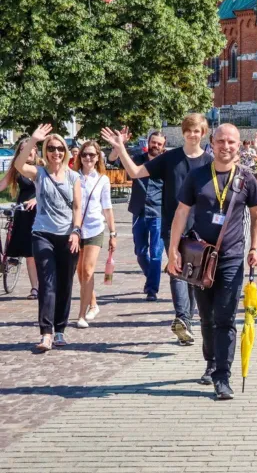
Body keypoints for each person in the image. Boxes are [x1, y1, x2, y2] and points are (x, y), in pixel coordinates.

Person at [167, 124, 257, 400]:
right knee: (206, 317)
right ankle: (210, 362)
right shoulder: (197, 177)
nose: (226, 146)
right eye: (221, 141)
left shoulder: (245, 178)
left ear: (238, 145)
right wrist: (174, 250)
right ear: (212, 143)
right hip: (200, 258)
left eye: (231, 142)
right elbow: (181, 213)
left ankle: (223, 376)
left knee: (225, 318)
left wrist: (255, 247)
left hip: (232, 257)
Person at [102, 114, 212, 346]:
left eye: (197, 131)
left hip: (201, 226)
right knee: (177, 269)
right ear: (183, 132)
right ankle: (182, 320)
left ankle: (188, 322)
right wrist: (121, 148)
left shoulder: (209, 162)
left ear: (204, 134)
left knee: (194, 277)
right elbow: (135, 172)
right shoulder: (169, 159)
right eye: (189, 130)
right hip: (172, 224)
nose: (193, 134)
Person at [15, 125, 82, 352]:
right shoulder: (39, 173)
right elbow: (18, 165)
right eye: (51, 148)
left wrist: (76, 232)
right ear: (46, 151)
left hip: (67, 237)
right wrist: (33, 140)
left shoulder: (74, 177)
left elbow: (77, 207)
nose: (56, 153)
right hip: (42, 234)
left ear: (65, 151)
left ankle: (60, 329)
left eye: (60, 148)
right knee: (47, 284)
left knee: (64, 284)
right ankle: (46, 333)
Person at [108, 131, 166, 301]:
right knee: (140, 252)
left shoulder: (166, 163)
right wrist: (119, 145)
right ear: (148, 143)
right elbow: (112, 159)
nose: (156, 146)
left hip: (158, 212)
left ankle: (151, 289)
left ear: (163, 147)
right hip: (139, 211)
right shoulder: (137, 159)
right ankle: (151, 276)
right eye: (153, 142)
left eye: (159, 144)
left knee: (156, 252)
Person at [73, 141, 117, 328]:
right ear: (79, 157)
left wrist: (113, 232)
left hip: (94, 228)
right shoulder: (73, 177)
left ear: (98, 157)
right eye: (85, 155)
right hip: (75, 229)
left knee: (88, 270)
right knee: (80, 271)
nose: (88, 158)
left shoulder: (102, 180)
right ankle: (93, 304)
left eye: (92, 155)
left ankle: (81, 315)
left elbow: (107, 208)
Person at [0, 138, 41, 299]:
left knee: (39, 252)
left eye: (30, 149)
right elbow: (2, 184)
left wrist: (37, 199)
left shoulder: (42, 166)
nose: (28, 152)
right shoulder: (16, 169)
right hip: (24, 211)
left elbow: (50, 188)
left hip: (41, 211)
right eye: (24, 149)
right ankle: (35, 288)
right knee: (29, 253)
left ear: (35, 150)